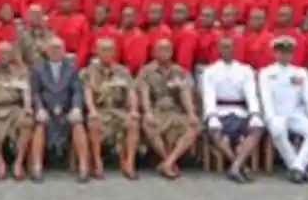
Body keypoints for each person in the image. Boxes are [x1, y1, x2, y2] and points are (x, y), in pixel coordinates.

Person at [259, 36, 308, 183]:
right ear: (275, 53)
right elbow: (266, 98)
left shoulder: (300, 72)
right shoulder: (266, 73)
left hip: (296, 114)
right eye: (281, 52)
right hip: (276, 113)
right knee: (278, 129)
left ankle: (296, 167)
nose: (284, 55)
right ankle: (296, 166)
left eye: (288, 52)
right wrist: (271, 117)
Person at [200, 36, 264, 183]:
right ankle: (238, 164)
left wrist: (255, 113)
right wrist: (211, 115)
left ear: (235, 49)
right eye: (223, 47)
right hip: (220, 110)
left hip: (240, 110)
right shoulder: (210, 71)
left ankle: (235, 166)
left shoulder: (245, 70)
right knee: (215, 131)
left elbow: (251, 93)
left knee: (257, 129)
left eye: (229, 47)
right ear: (218, 50)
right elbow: (208, 95)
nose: (226, 50)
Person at [136, 38, 200, 179]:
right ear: (154, 52)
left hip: (176, 111)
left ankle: (169, 162)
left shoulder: (180, 71)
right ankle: (169, 161)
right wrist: (147, 112)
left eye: (167, 50)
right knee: (148, 124)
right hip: (157, 110)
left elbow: (185, 93)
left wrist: (191, 113)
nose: (164, 53)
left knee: (194, 126)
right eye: (161, 50)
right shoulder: (146, 71)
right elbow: (144, 94)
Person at [29, 37, 91, 182]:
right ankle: (37, 167)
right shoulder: (38, 68)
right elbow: (35, 92)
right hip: (46, 109)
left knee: (78, 125)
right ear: (47, 51)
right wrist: (39, 109)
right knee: (39, 126)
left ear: (64, 51)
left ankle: (83, 167)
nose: (56, 51)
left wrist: (76, 108)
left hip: (66, 109)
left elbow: (76, 91)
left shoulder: (72, 66)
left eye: (59, 48)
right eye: (53, 48)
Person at [81, 38, 141, 180]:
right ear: (96, 52)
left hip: (118, 110)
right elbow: (87, 92)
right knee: (93, 123)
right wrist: (92, 111)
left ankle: (129, 164)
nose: (106, 53)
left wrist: (133, 110)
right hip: (100, 110)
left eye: (109, 50)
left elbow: (131, 92)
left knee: (133, 123)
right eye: (103, 50)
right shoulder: (88, 72)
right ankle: (97, 163)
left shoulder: (122, 71)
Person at [0, 42, 35, 181]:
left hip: (14, 107)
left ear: (12, 55)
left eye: (7, 53)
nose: (4, 56)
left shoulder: (20, 72)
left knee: (27, 121)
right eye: (1, 53)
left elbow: (25, 92)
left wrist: (27, 107)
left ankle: (18, 162)